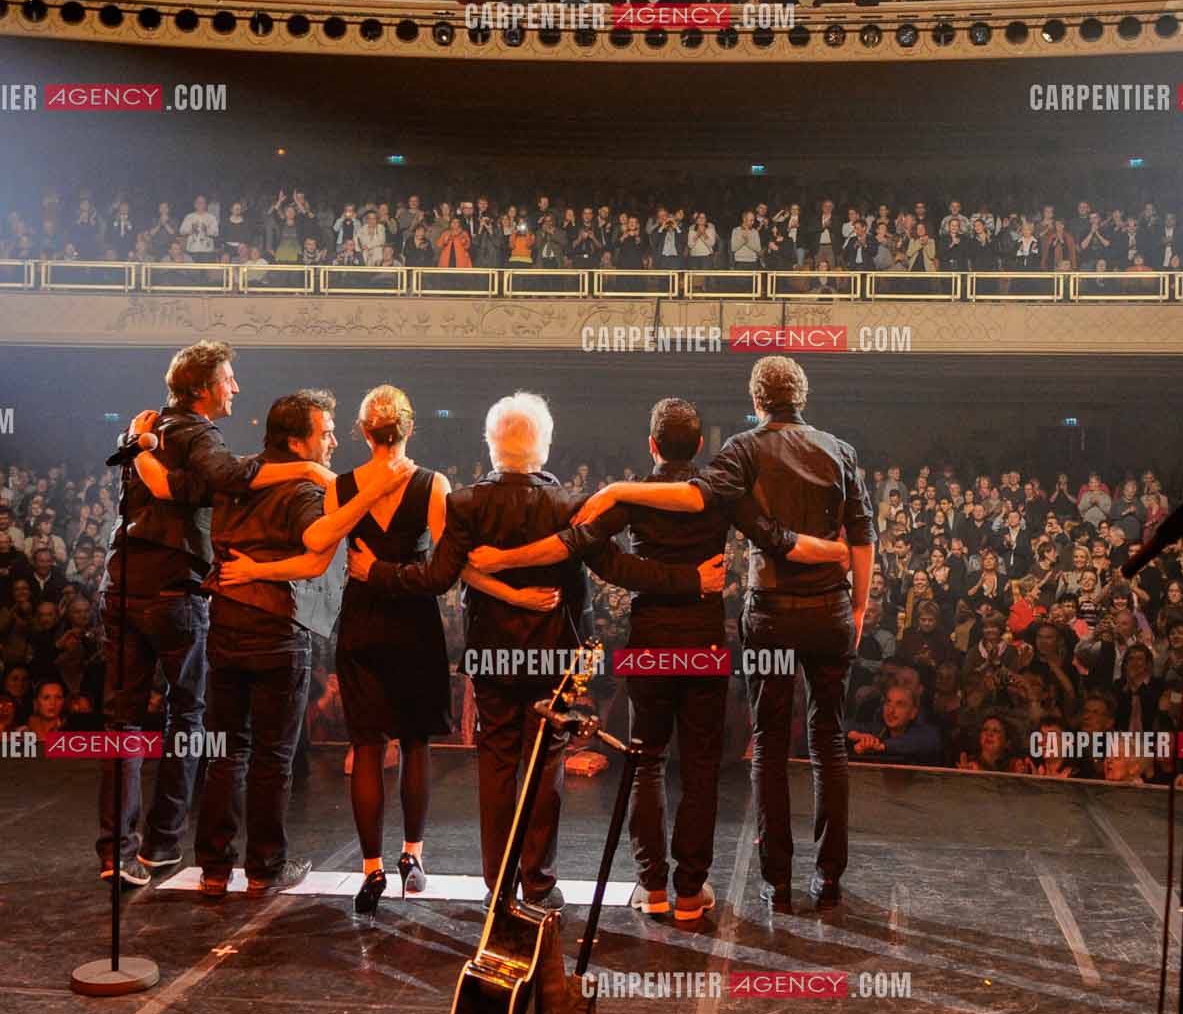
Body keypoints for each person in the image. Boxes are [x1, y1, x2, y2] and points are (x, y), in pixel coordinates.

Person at [468, 397, 844, 922]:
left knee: (645, 765)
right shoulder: (719, 492)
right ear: (699, 447)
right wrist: (838, 551)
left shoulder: (635, 498)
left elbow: (580, 548)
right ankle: (690, 893)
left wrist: (501, 561)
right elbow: (776, 540)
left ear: (652, 446)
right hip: (704, 648)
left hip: (647, 645)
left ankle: (654, 887)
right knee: (701, 770)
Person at [356, 393, 719, 908]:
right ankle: (539, 884)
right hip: (554, 658)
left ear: (491, 445)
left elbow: (436, 576)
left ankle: (498, 887)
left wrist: (376, 571)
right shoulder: (569, 506)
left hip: (492, 656)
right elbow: (616, 568)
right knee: (545, 767)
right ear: (545, 446)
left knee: (497, 764)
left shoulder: (464, 504)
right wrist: (691, 580)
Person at [225, 385, 552, 916]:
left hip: (362, 623)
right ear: (410, 428)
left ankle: (371, 869)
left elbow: (312, 562)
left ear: (360, 431)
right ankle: (412, 858)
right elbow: (453, 570)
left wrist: (254, 570)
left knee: (369, 748)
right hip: (414, 621)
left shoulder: (343, 488)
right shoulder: (433, 484)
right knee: (416, 744)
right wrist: (515, 592)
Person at [574, 356, 875, 909]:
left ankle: (708, 884)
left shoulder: (721, 462)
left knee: (683, 757)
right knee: (805, 746)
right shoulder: (834, 453)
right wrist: (854, 602)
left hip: (720, 627)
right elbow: (845, 534)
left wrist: (619, 491)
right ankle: (799, 880)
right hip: (768, 627)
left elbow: (606, 541)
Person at [96, 340, 349, 886]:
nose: (235, 387)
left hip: (120, 584)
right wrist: (308, 472)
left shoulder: (150, 431)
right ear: (203, 387)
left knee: (127, 725)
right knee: (192, 723)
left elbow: (180, 485)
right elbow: (229, 477)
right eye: (229, 379)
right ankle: (166, 848)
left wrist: (136, 449)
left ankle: (124, 853)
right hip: (173, 590)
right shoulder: (197, 434)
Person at [194, 389, 404, 898]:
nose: (333, 440)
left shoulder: (239, 476)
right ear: (296, 440)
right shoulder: (304, 493)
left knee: (225, 751)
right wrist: (370, 496)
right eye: (325, 431)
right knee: (271, 757)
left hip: (224, 625)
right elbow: (314, 548)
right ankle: (265, 867)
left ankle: (214, 870)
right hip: (275, 632)